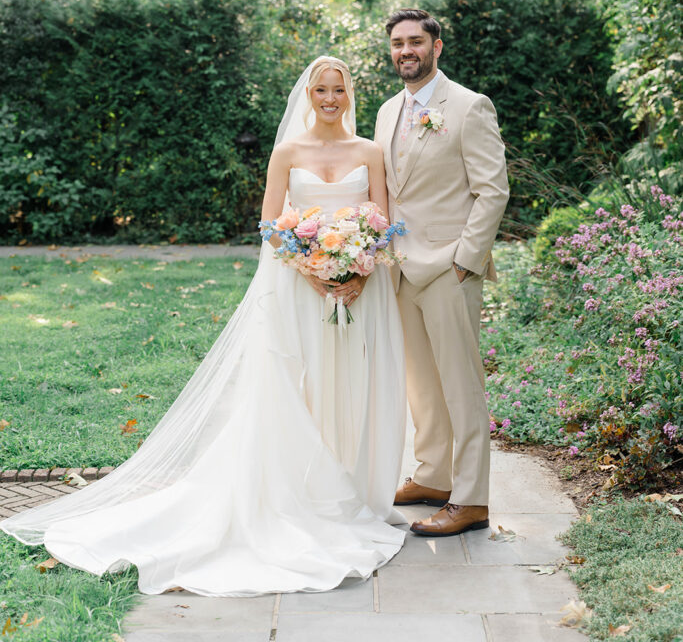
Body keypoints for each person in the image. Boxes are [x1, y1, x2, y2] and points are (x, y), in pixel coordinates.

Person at [1, 57, 406, 596]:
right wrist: (312, 269)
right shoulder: (287, 152)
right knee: (298, 387)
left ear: (349, 93)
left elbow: (381, 221)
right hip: (300, 287)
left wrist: (359, 270)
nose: (330, 98)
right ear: (309, 95)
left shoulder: (369, 152)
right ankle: (301, 492)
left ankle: (349, 487)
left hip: (359, 289)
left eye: (338, 89)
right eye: (321, 90)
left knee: (352, 383)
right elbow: (270, 225)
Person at [374, 9, 509, 538]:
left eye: (415, 41)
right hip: (401, 269)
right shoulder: (387, 111)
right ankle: (433, 476)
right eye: (397, 43)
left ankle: (471, 500)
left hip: (450, 268)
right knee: (422, 384)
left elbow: (492, 191)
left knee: (461, 386)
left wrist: (464, 262)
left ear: (437, 46)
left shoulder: (470, 106)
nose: (406, 50)